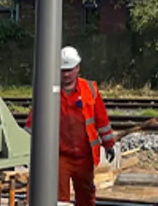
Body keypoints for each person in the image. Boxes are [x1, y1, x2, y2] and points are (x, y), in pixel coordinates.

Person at [24, 46, 117, 206]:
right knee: (60, 199)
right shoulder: (48, 91)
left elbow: (101, 120)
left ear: (78, 68)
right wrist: (24, 148)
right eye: (62, 70)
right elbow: (33, 122)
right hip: (59, 157)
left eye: (69, 69)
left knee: (86, 196)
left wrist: (109, 144)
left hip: (84, 156)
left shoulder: (90, 89)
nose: (66, 74)